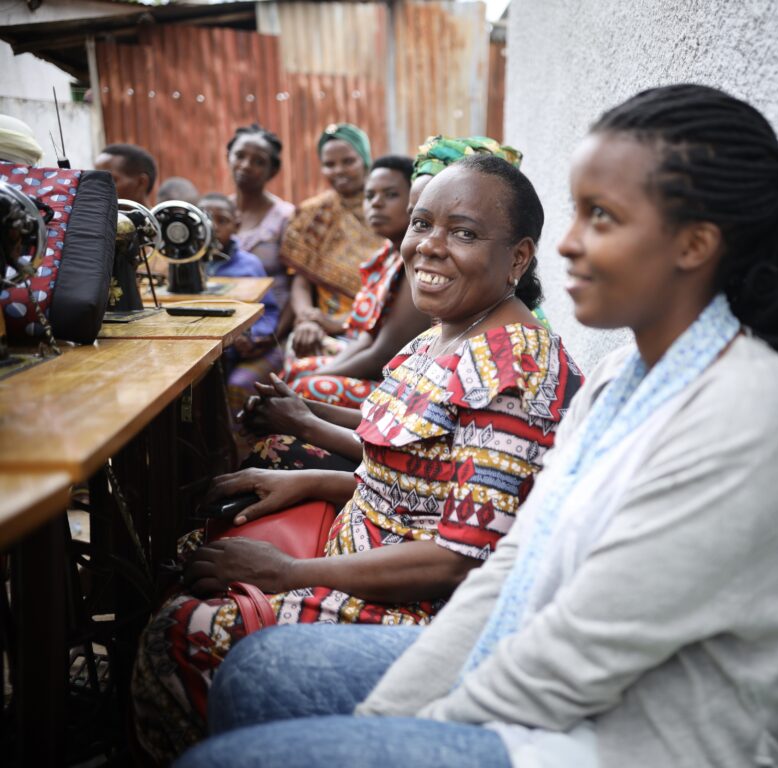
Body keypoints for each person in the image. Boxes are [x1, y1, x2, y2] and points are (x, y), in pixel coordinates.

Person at [178, 83, 778, 768]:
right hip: (534, 666)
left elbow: (576, 655)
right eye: (576, 214)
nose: (569, 246)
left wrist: (399, 735)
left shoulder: (744, 413)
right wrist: (389, 718)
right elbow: (511, 569)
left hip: (624, 740)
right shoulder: (620, 380)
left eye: (602, 218)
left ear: (695, 243)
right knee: (257, 675)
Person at [132, 155, 584, 763]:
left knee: (179, 636)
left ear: (520, 258)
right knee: (189, 551)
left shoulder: (511, 374)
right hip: (360, 550)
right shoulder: (444, 332)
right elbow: (414, 482)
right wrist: (312, 482)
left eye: (465, 233)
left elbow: (455, 562)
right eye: (422, 224)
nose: (429, 246)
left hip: (414, 611)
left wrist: (285, 575)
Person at [280, 155, 430, 409]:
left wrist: (317, 378)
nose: (376, 204)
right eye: (369, 196)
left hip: (400, 386)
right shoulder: (387, 254)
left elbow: (382, 355)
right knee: (297, 373)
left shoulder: (415, 263)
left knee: (302, 387)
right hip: (371, 360)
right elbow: (367, 338)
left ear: (414, 202)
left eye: (391, 195)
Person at [280, 123, 383, 358]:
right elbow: (301, 282)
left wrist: (341, 323)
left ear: (365, 160)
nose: (339, 171)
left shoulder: (387, 210)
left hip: (378, 326)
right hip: (322, 326)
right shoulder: (314, 214)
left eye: (348, 161)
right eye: (329, 164)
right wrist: (308, 319)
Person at [198, 193, 282, 414]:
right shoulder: (184, 265)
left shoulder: (249, 265)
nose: (213, 227)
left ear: (236, 226)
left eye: (222, 221)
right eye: (205, 221)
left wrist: (253, 336)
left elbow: (269, 310)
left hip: (237, 350)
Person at [226, 124, 295, 321]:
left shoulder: (285, 217)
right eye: (240, 156)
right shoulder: (216, 215)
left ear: (272, 171)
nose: (246, 165)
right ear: (228, 157)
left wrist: (272, 338)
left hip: (271, 327)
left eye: (258, 162)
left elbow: (298, 285)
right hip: (222, 326)